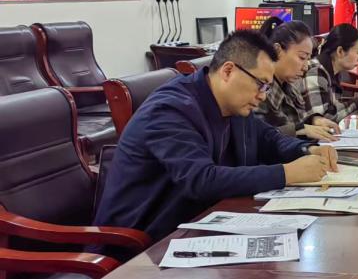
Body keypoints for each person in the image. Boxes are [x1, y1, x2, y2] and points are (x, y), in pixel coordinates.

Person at [94, 30, 337, 241]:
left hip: (198, 225)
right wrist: (287, 173)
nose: (263, 95)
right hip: (141, 245)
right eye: (260, 84)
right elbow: (202, 180)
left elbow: (268, 138)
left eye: (267, 87)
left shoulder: (232, 105)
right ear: (228, 71)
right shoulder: (170, 110)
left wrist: (305, 149)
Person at [256, 17, 339, 140]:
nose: (305, 67)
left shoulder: (290, 87)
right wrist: (299, 129)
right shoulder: (259, 90)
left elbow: (296, 122)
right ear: (277, 50)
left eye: (308, 59)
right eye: (302, 57)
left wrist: (313, 120)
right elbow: (257, 135)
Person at [301, 23, 358, 120]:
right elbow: (324, 117)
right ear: (340, 51)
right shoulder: (316, 71)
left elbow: (333, 108)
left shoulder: (334, 72)